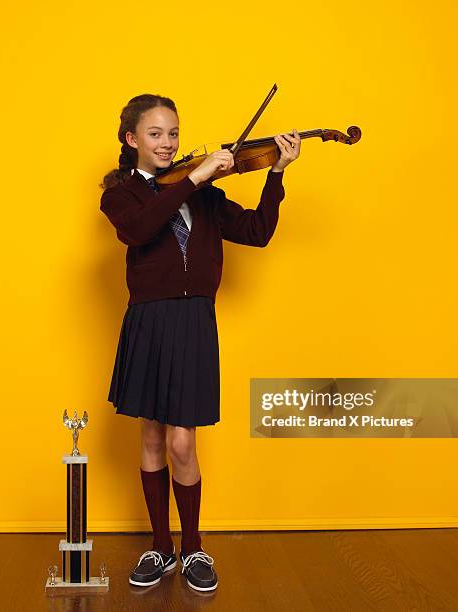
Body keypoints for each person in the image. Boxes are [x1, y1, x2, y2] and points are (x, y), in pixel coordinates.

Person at [99, 93, 300, 592]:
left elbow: (257, 232)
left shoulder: (205, 193)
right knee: (150, 437)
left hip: (192, 321)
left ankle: (192, 549)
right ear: (132, 139)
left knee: (182, 440)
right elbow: (139, 230)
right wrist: (195, 176)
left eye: (173, 134)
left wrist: (276, 175)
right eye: (155, 134)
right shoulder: (121, 194)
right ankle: (160, 548)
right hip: (148, 319)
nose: (168, 144)